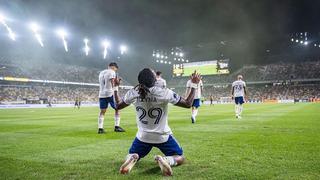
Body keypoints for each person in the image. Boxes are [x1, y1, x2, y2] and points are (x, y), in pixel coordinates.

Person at [113, 68, 201, 176]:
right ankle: (166, 160)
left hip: (143, 137)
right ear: (154, 80)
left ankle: (132, 157)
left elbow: (117, 105)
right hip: (162, 136)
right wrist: (194, 84)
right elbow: (188, 104)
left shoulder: (133, 92)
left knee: (132, 153)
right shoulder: (164, 92)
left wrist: (115, 86)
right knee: (180, 157)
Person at [98, 62, 125, 134]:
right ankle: (117, 127)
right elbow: (113, 82)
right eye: (116, 69)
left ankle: (100, 128)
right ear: (114, 67)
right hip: (110, 93)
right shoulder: (112, 72)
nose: (115, 71)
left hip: (101, 94)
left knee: (102, 111)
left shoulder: (101, 72)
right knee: (118, 108)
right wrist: (118, 83)